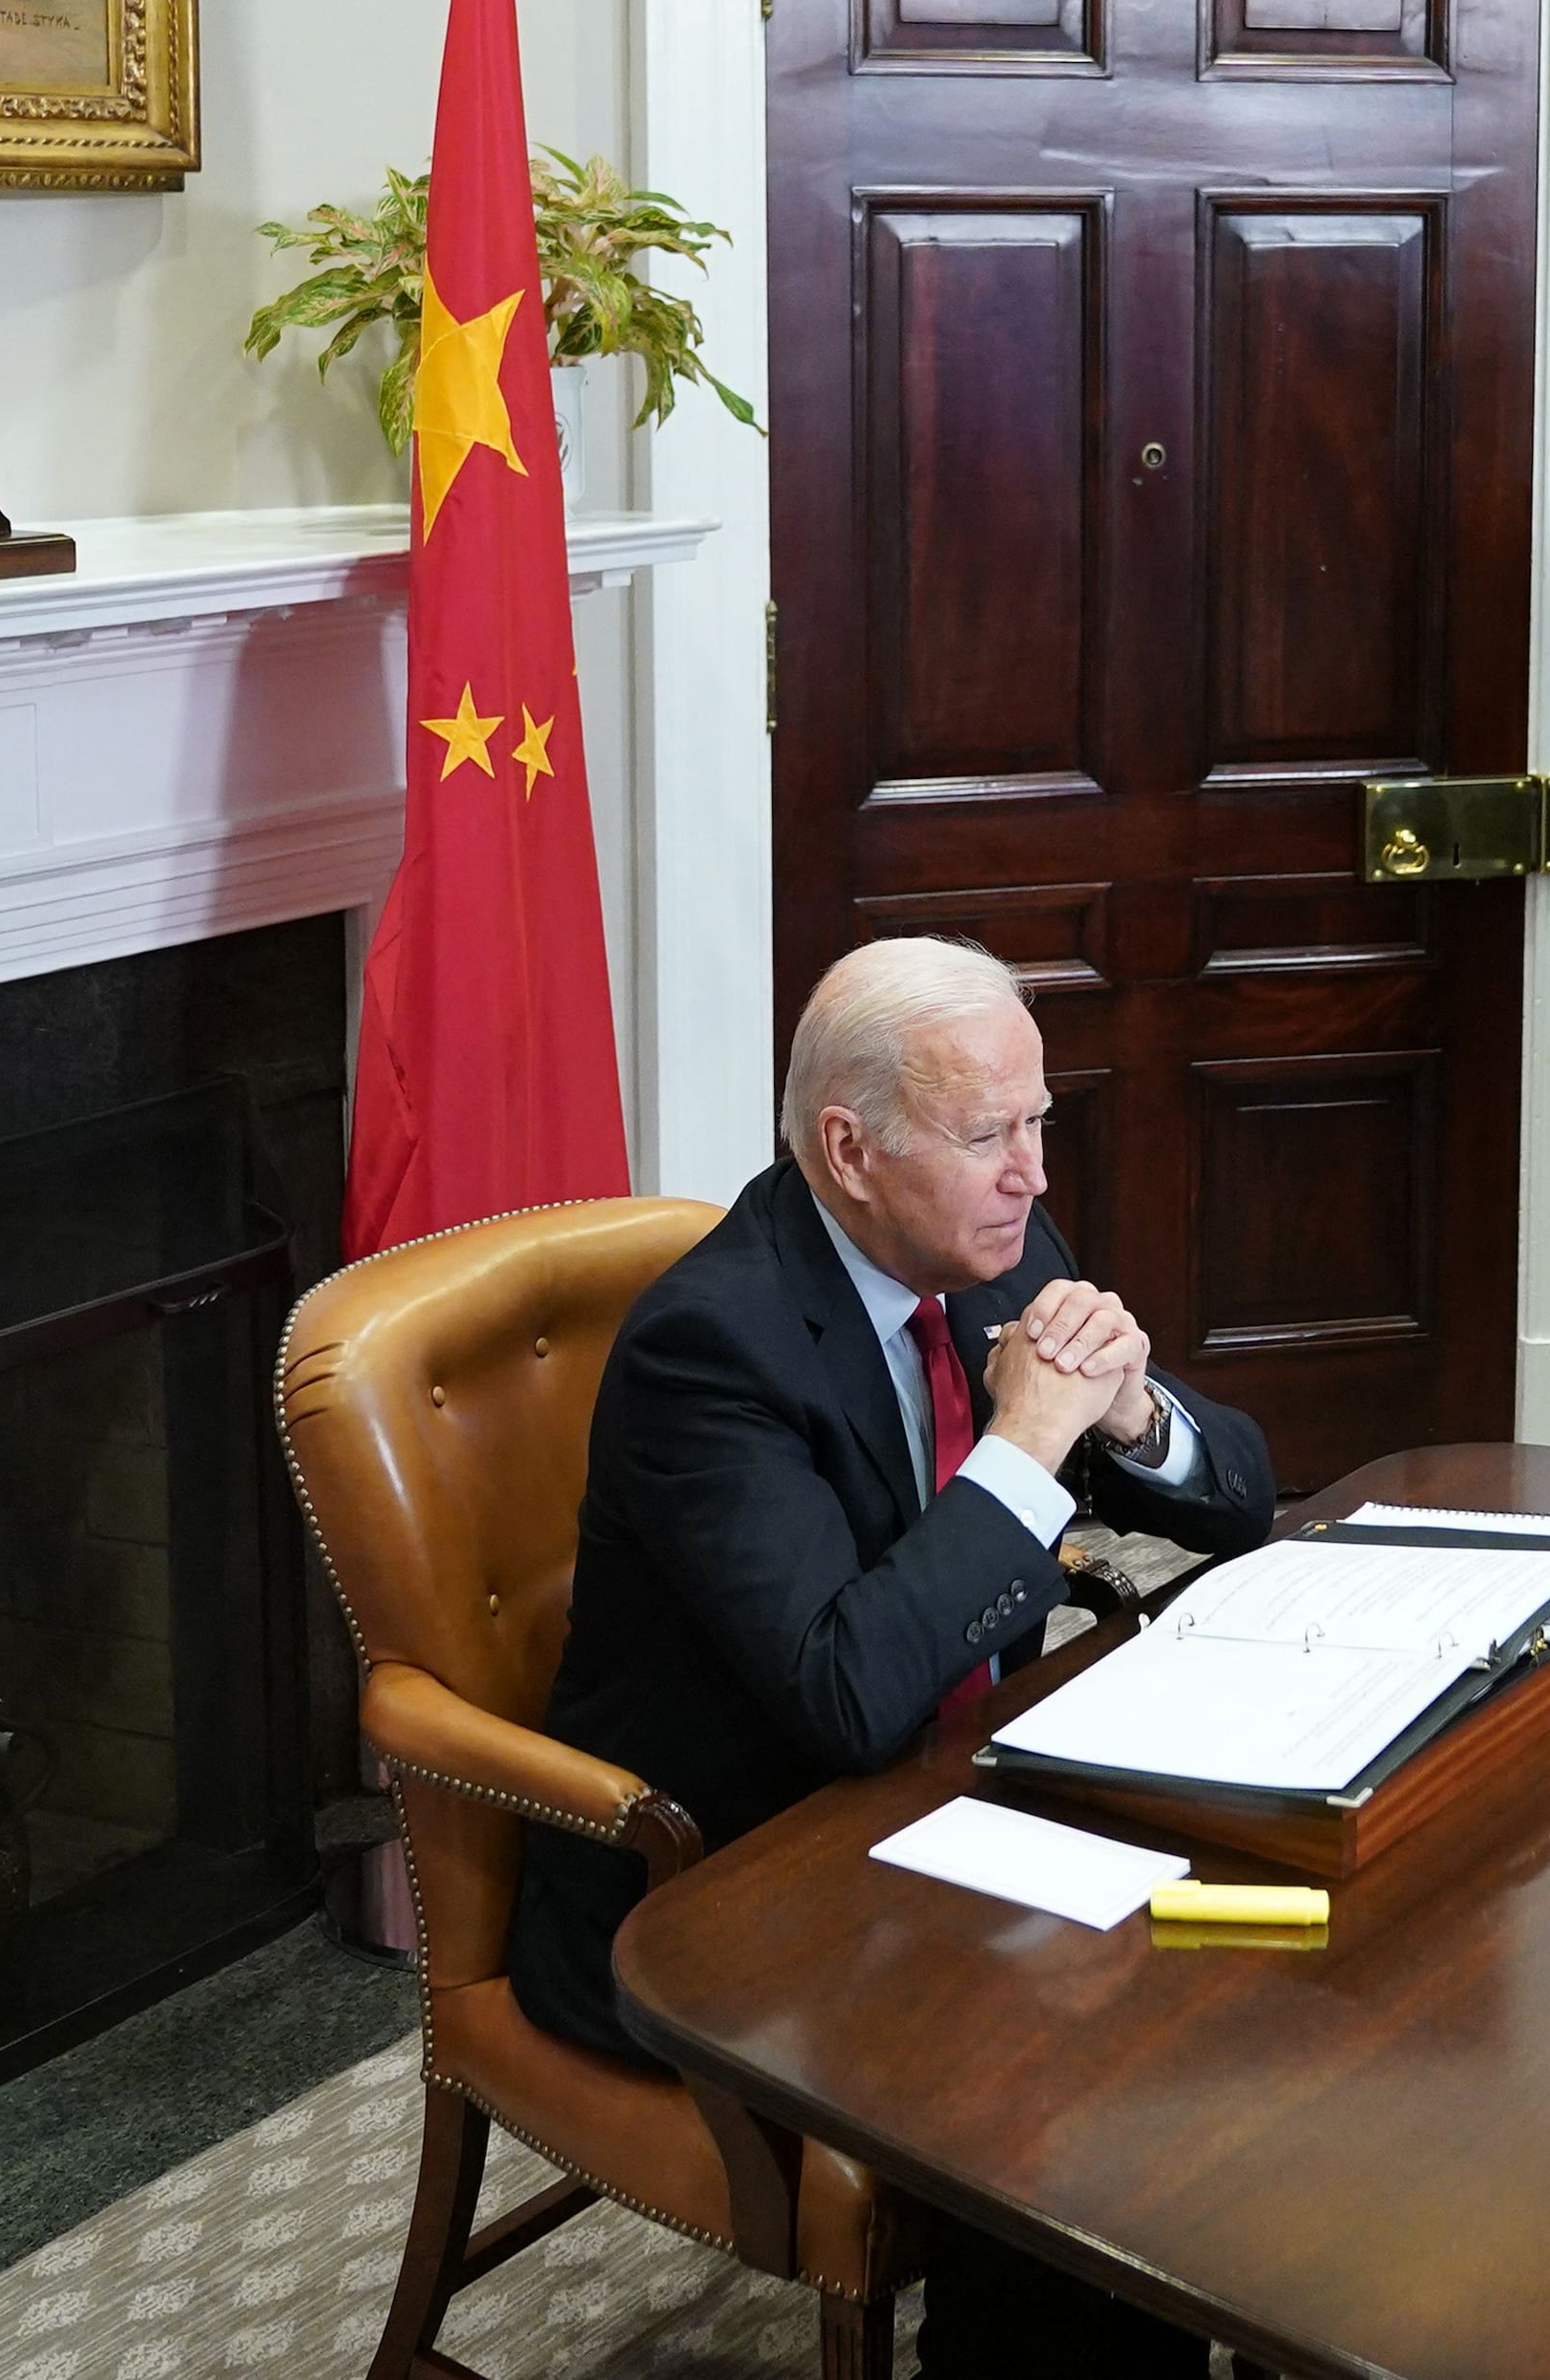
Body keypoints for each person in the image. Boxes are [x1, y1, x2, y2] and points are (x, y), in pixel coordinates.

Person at [511, 937, 1272, 2377]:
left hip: (964, 1812)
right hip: (742, 1878)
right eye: (991, 1134)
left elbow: (1239, 1500)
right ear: (848, 1148)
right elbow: (850, 1694)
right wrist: (1034, 1438)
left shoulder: (991, 1248)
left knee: (1234, 1984)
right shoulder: (710, 1350)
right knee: (1054, 2098)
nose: (1034, 1173)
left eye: (1040, 1121)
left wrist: (1127, 1421)